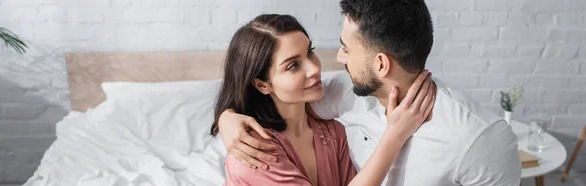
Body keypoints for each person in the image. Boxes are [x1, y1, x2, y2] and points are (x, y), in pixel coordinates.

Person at [216, 0, 522, 185]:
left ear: (381, 64)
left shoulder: (480, 139)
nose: (328, 64)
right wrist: (226, 117)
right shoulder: (339, 95)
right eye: (293, 65)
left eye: (346, 49)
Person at [210, 14, 436, 186]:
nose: (314, 69)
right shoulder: (253, 151)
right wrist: (395, 135)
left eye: (310, 52)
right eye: (292, 66)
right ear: (261, 84)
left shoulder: (332, 132)